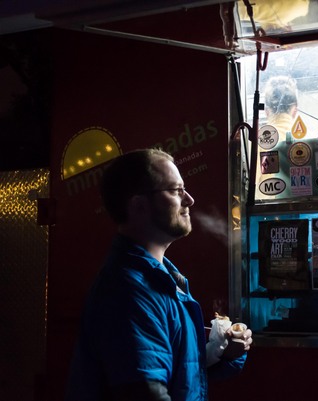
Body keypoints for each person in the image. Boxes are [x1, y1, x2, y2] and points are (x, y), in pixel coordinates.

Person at [65, 148, 252, 401]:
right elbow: (144, 391)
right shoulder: (129, 291)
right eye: (176, 190)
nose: (189, 200)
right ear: (138, 205)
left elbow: (178, 375)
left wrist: (222, 353)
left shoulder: (163, 279)